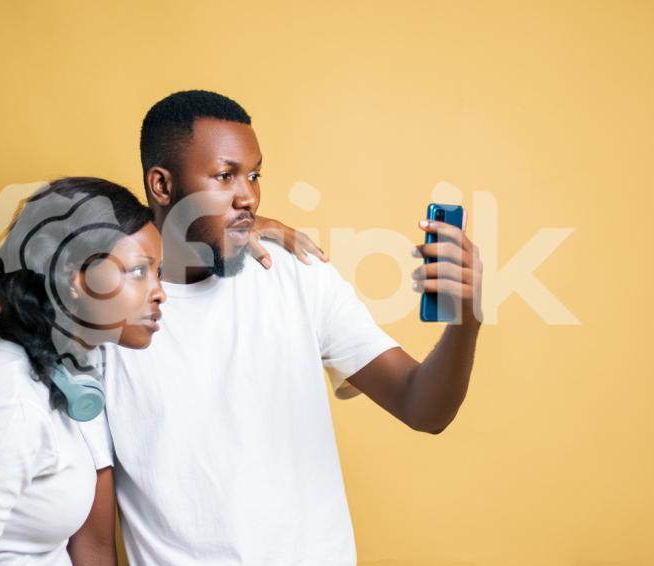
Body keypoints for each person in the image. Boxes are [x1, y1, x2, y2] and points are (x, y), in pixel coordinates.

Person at [87, 90, 485, 566]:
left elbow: (424, 408)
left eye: (254, 175)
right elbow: (93, 540)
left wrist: (467, 320)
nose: (248, 195)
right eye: (224, 175)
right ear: (162, 185)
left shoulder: (297, 274)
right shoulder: (106, 323)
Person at [0, 175, 326, 566]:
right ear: (71, 277)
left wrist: (238, 227)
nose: (159, 292)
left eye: (158, 271)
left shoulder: (43, 343)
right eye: (138, 271)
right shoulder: (11, 405)